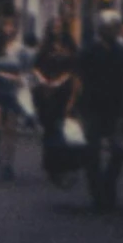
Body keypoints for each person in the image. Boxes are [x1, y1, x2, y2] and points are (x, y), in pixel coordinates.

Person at [73, 9, 123, 212]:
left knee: (119, 150)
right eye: (111, 27)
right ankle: (97, 192)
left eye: (117, 27)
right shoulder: (88, 51)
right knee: (92, 151)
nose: (115, 31)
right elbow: (78, 80)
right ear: (101, 29)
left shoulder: (122, 52)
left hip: (115, 109)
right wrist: (74, 108)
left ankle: (108, 184)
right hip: (91, 108)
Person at [0, 11, 32, 181]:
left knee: (10, 130)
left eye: (11, 26)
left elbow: (27, 73)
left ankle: (8, 165)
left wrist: (18, 79)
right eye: (5, 26)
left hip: (13, 92)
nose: (8, 29)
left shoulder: (21, 51)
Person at [32, 17, 80, 165]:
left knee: (62, 121)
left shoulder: (70, 46)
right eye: (54, 27)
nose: (57, 30)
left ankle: (62, 156)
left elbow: (74, 66)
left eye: (59, 27)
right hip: (46, 88)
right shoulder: (44, 46)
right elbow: (35, 66)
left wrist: (62, 80)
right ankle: (49, 155)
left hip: (64, 87)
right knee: (48, 122)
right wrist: (42, 79)